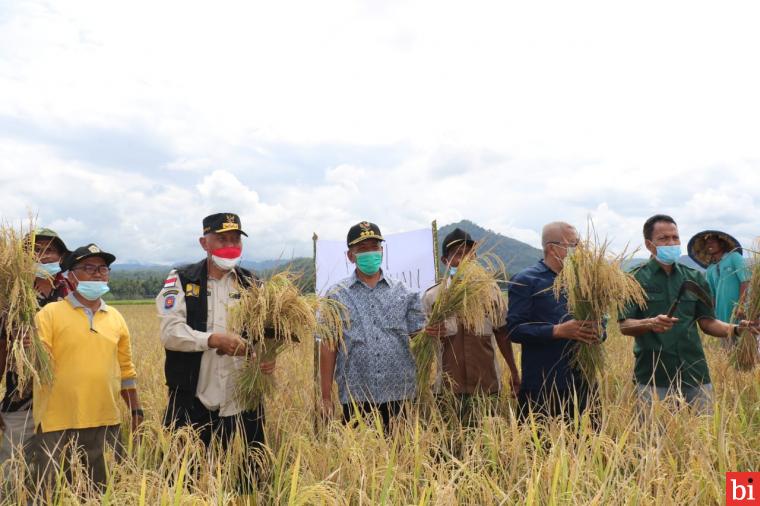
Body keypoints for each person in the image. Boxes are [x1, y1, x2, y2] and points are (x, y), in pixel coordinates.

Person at [157, 213, 274, 461]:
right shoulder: (182, 279)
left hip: (243, 402)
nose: (230, 246)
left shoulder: (253, 284)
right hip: (194, 400)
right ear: (204, 243)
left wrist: (266, 357)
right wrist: (212, 340)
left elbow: (268, 334)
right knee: (189, 478)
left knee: (247, 478)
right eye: (222, 240)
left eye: (235, 240)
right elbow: (170, 332)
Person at [619, 215, 759, 413]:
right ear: (649, 245)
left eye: (675, 237)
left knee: (704, 434)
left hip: (695, 372)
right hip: (654, 374)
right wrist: (650, 323)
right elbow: (624, 325)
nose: (672, 243)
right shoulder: (635, 279)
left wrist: (736, 329)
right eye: (664, 238)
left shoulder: (693, 277)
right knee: (652, 438)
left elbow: (708, 323)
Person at [32, 244, 143, 488]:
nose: (97, 274)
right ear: (70, 276)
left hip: (105, 422)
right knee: (51, 493)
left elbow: (126, 370)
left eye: (103, 268)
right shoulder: (49, 314)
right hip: (56, 423)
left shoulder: (115, 317)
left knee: (103, 492)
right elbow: (37, 364)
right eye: (88, 268)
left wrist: (135, 411)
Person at [319, 221, 426, 433]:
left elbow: (418, 337)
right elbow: (329, 346)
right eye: (362, 249)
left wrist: (430, 333)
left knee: (403, 458)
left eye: (374, 248)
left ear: (382, 251)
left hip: (400, 392)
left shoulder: (404, 292)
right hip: (356, 396)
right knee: (361, 461)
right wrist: (325, 397)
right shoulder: (336, 295)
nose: (370, 253)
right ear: (350, 256)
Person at [507, 222, 603, 423]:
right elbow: (515, 330)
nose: (578, 251)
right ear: (552, 247)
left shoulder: (583, 282)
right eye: (573, 244)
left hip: (583, 382)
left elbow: (601, 324)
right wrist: (557, 331)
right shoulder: (527, 280)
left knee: (589, 447)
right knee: (541, 448)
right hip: (543, 383)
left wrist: (598, 331)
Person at [422, 228, 519, 426]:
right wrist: (427, 334)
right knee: (450, 445)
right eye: (458, 254)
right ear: (445, 261)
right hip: (448, 390)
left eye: (469, 253)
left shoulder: (491, 292)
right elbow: (422, 340)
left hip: (487, 387)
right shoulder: (434, 297)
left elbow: (502, 335)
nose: (465, 259)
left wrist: (515, 373)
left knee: (487, 446)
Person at [0, 228, 70, 472]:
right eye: (33, 250)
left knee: (56, 473)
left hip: (63, 399)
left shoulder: (73, 293)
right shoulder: (10, 296)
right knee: (13, 473)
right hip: (21, 400)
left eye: (49, 250)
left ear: (61, 257)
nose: (41, 256)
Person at [687, 230, 749, 327]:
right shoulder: (710, 269)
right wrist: (711, 313)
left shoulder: (734, 257)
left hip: (739, 311)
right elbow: (712, 294)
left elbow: (745, 281)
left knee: (743, 338)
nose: (709, 245)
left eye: (713, 241)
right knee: (726, 340)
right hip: (721, 314)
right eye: (707, 243)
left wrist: (741, 305)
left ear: (722, 244)